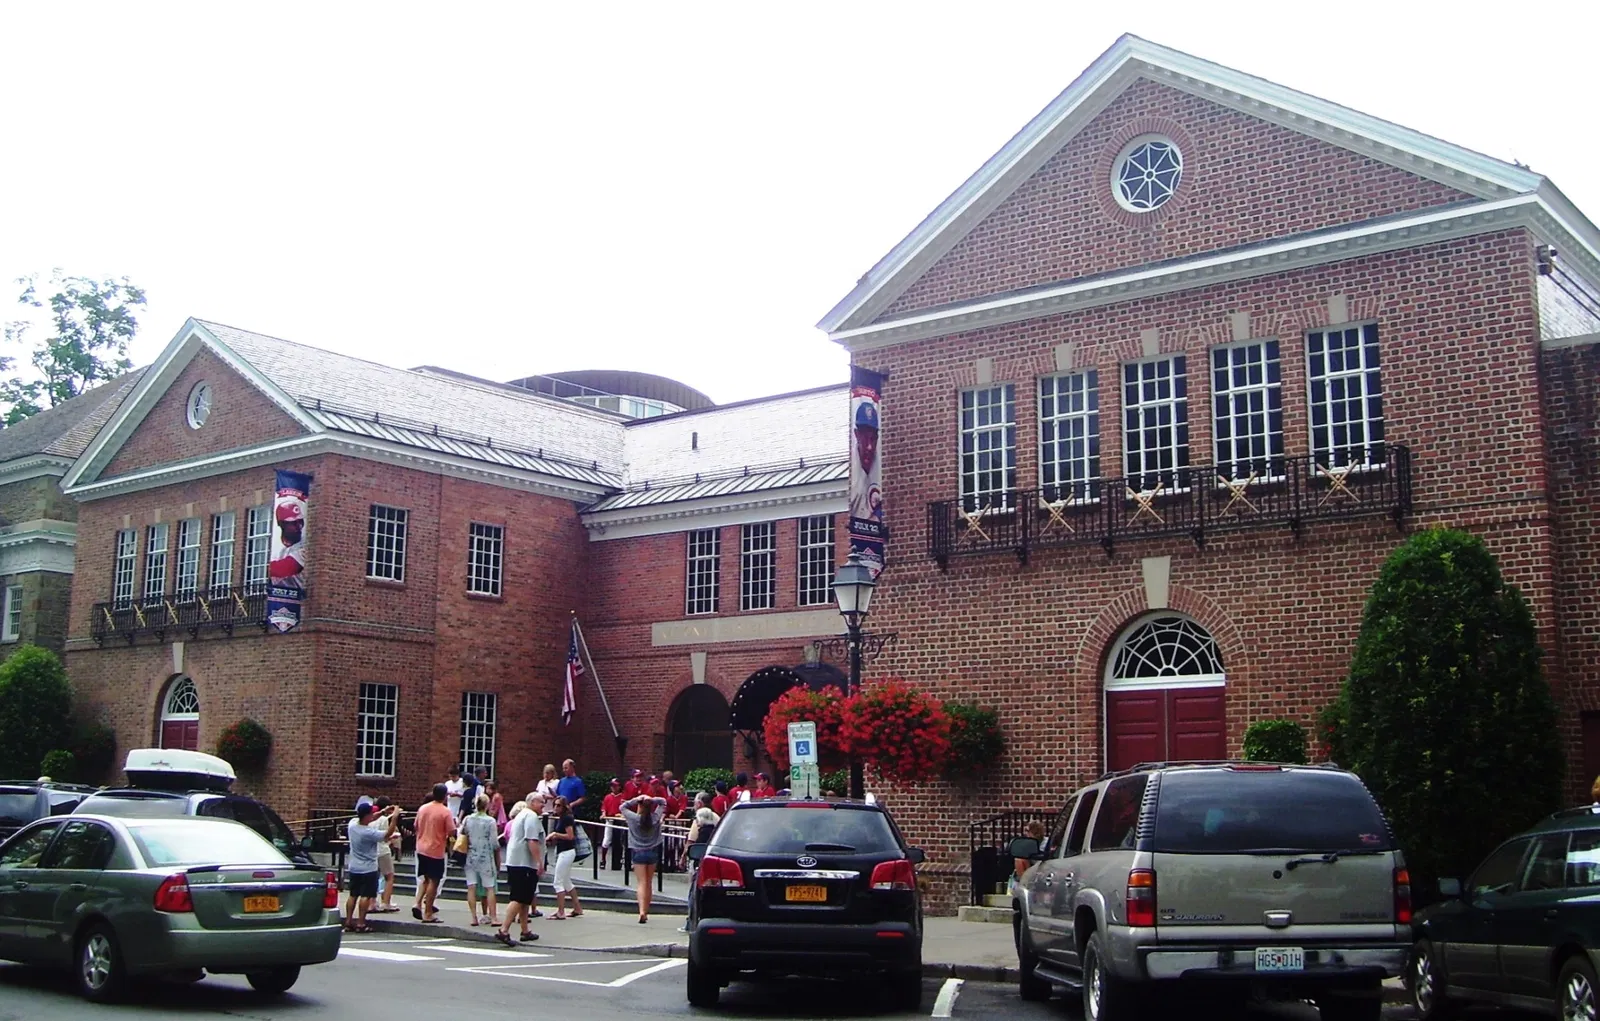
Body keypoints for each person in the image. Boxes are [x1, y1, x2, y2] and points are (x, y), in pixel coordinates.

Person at [345, 799, 399, 932]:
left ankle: (348, 921)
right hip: (368, 868)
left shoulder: (352, 824)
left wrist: (383, 812)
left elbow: (371, 818)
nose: (373, 815)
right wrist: (394, 818)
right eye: (371, 813)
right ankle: (361, 923)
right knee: (366, 895)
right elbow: (387, 834)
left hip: (354, 867)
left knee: (353, 895)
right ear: (367, 816)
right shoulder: (368, 832)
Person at [495, 797, 543, 946]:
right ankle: (504, 930)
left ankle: (525, 930)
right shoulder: (531, 816)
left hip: (515, 862)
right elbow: (531, 840)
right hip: (524, 863)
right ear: (532, 802)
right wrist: (539, 861)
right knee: (518, 897)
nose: (543, 805)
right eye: (540, 802)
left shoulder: (522, 815)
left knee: (525, 898)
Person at [412, 783, 455, 923]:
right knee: (434, 881)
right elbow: (451, 831)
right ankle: (428, 912)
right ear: (445, 795)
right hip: (435, 850)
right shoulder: (445, 811)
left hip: (421, 848)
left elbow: (415, 826)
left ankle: (417, 903)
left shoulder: (423, 808)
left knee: (425, 879)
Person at [621, 792, 668, 923]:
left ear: (639, 806)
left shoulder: (633, 818)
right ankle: (646, 911)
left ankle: (641, 911)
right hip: (652, 850)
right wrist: (651, 799)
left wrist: (636, 799)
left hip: (637, 851)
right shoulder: (655, 818)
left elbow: (622, 807)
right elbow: (663, 802)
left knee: (641, 882)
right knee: (649, 882)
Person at [462, 793, 502, 927]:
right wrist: (498, 859)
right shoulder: (490, 821)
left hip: (471, 856)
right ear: (487, 805)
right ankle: (493, 917)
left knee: (471, 887)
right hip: (485, 856)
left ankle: (474, 917)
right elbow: (494, 843)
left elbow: (462, 834)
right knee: (489, 887)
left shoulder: (468, 819)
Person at [546, 795, 585, 919]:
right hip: (564, 851)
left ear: (564, 807)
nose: (556, 807)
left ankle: (561, 911)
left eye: (559, 805)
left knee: (557, 882)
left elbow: (570, 836)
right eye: (555, 805)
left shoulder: (567, 818)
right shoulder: (562, 818)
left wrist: (555, 834)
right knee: (566, 881)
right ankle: (577, 908)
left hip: (566, 852)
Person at [371, 795, 401, 913]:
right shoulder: (384, 819)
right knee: (389, 876)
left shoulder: (371, 818)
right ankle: (386, 902)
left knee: (374, 876)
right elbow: (386, 835)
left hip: (373, 850)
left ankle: (372, 902)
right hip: (383, 850)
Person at [1010, 821, 1045, 899]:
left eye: (1027, 831)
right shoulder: (1026, 843)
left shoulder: (1046, 843)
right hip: (1031, 870)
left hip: (1043, 868)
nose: (1025, 833)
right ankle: (1025, 886)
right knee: (1019, 859)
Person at [600, 778, 624, 870]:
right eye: (612, 786)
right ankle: (603, 859)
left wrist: (621, 815)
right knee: (606, 840)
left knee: (620, 841)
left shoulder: (622, 797)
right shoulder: (608, 797)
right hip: (610, 820)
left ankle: (619, 860)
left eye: (615, 786)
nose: (613, 787)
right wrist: (603, 814)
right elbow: (604, 808)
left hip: (619, 821)